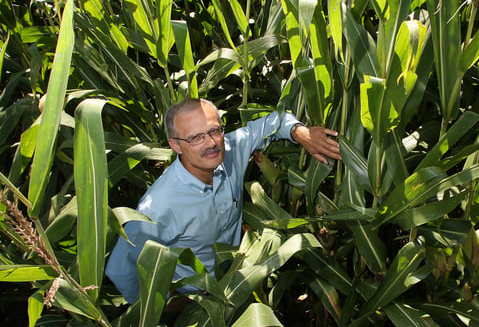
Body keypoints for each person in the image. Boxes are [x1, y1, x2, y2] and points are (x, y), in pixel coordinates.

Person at [105, 98, 341, 303]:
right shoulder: (158, 207)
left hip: (236, 276)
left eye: (215, 131)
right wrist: (164, 306)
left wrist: (301, 133)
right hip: (195, 300)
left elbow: (271, 123)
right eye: (196, 137)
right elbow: (120, 270)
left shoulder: (229, 150)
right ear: (175, 145)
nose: (210, 143)